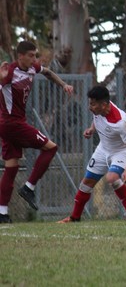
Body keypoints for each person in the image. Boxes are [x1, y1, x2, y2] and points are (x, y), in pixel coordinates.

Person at [0, 41, 74, 223]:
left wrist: (63, 84)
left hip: (10, 124)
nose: (34, 59)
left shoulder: (33, 68)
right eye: (31, 55)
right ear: (20, 56)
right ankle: (29, 187)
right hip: (12, 124)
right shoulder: (9, 71)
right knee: (50, 147)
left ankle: (2, 214)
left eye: (35, 55)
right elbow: (3, 84)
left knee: (11, 168)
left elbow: (47, 72)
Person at [58, 86, 126, 223]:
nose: (90, 107)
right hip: (102, 149)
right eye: (90, 103)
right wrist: (91, 129)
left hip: (120, 152)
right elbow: (97, 120)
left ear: (103, 105)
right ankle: (74, 217)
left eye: (93, 104)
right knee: (86, 183)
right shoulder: (99, 109)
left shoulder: (121, 122)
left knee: (112, 177)